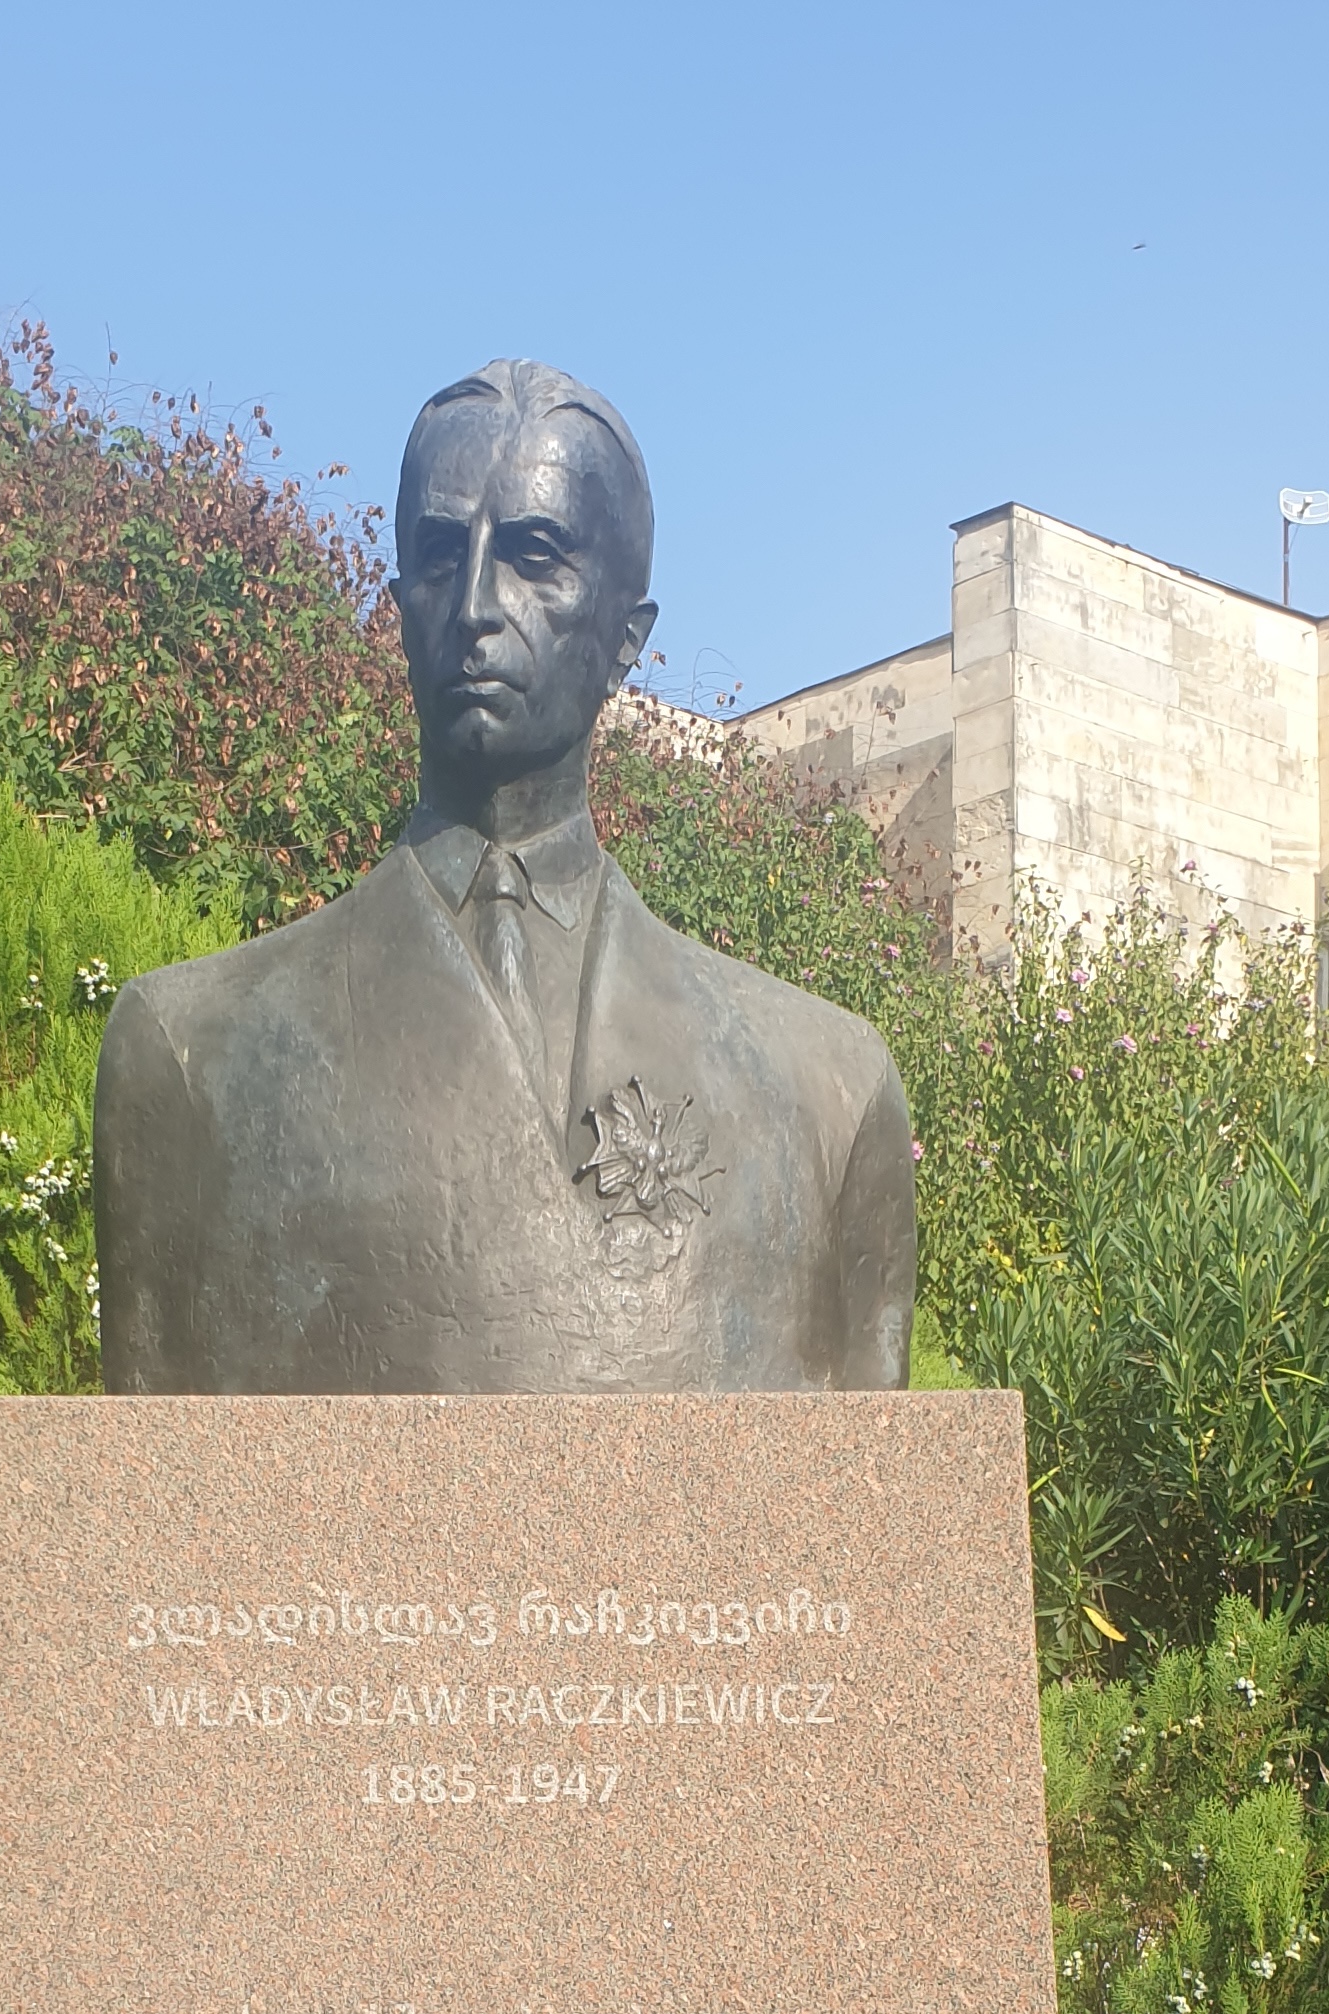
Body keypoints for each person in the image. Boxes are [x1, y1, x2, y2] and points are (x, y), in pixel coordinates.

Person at [95, 359, 917, 1396]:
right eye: (442, 555)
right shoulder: (189, 1055)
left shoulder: (826, 1092)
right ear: (397, 605)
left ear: (628, 636)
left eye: (535, 556)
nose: (478, 605)